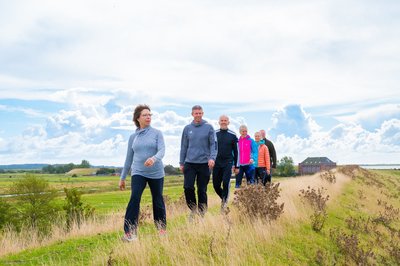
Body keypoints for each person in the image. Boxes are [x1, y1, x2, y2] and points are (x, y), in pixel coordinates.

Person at [119, 104, 166, 242]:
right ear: (138, 118)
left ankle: (161, 229)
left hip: (156, 173)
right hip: (138, 172)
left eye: (150, 115)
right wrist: (122, 177)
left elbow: (162, 150)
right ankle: (129, 232)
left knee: (158, 200)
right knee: (134, 198)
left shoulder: (157, 133)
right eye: (145, 115)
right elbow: (128, 159)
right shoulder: (133, 137)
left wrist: (154, 158)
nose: (148, 117)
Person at [180, 105, 217, 219]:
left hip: (204, 164)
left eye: (200, 113)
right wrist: (181, 162)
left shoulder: (209, 127)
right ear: (192, 114)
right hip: (190, 163)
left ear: (203, 113)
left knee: (202, 189)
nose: (198, 115)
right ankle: (193, 209)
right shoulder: (187, 128)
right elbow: (184, 146)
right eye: (196, 113)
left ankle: (202, 213)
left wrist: (212, 158)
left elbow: (213, 144)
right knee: (188, 187)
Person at [213, 115, 238, 212]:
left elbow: (236, 152)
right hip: (216, 163)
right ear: (219, 122)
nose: (223, 122)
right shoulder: (214, 134)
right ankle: (225, 197)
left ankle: (224, 205)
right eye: (222, 120)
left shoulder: (233, 135)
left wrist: (237, 166)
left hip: (228, 162)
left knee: (225, 182)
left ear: (228, 122)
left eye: (225, 120)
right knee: (215, 185)